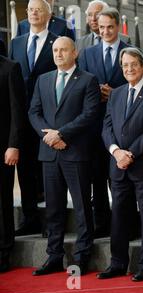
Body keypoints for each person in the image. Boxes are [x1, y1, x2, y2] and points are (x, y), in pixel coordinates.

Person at [28, 37, 101, 276]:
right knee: (53, 208)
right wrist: (47, 136)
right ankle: (54, 255)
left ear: (75, 52)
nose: (59, 54)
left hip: (75, 152)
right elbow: (34, 112)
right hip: (49, 153)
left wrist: (62, 134)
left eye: (64, 50)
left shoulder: (88, 80)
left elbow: (90, 114)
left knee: (81, 207)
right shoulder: (44, 79)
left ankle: (81, 256)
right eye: (56, 50)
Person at [97, 47, 143, 282]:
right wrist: (117, 152)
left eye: (133, 65)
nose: (129, 69)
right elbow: (107, 127)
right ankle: (117, 263)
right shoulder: (116, 94)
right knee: (118, 216)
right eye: (125, 65)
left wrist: (130, 154)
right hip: (117, 166)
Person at [78, 7, 130, 238]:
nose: (106, 31)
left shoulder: (130, 51)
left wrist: (115, 93)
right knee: (97, 176)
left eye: (110, 26)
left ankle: (125, 224)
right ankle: (101, 223)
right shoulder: (88, 53)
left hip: (123, 122)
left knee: (120, 178)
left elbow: (137, 83)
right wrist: (94, 92)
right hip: (95, 123)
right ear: (97, 27)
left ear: (118, 26)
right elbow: (82, 85)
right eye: (102, 27)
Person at [10, 0, 58, 237]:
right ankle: (30, 218)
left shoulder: (57, 42)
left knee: (48, 171)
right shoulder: (16, 43)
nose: (33, 13)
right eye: (30, 9)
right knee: (26, 169)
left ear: (48, 14)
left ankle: (52, 221)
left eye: (39, 9)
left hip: (48, 118)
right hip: (21, 116)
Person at [0, 56, 27, 273]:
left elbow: (17, 111)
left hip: (3, 149)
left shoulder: (10, 67)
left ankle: (3, 252)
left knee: (2, 201)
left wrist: (13, 145)